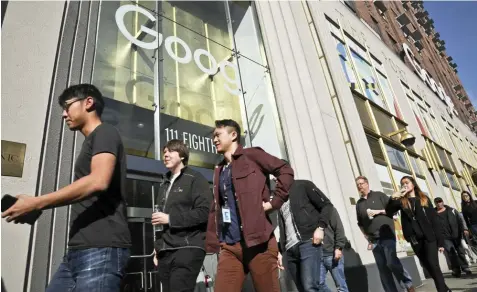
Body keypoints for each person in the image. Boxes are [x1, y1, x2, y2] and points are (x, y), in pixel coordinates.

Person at [2, 84, 132, 291]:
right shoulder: (91, 142)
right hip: (77, 252)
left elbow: (98, 180)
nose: (64, 114)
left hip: (101, 250)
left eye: (67, 106)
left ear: (88, 103)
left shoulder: (105, 132)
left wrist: (36, 203)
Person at [205, 119, 294, 292]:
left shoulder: (252, 155)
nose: (214, 139)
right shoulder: (219, 170)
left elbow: (285, 170)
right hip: (230, 246)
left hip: (258, 244)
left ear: (233, 135)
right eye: (213, 136)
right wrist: (212, 242)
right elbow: (216, 207)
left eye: (218, 135)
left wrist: (274, 202)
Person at [152, 139, 213, 292]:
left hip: (188, 247)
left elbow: (205, 212)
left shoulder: (195, 178)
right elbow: (160, 223)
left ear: (182, 156)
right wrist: (157, 248)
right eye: (164, 152)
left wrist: (170, 219)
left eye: (170, 151)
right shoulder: (164, 183)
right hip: (166, 251)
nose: (165, 155)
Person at [387, 176, 450, 292]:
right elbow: (388, 212)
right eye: (402, 184)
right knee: (428, 266)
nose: (404, 185)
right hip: (414, 239)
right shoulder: (401, 201)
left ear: (413, 184)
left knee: (433, 265)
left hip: (429, 238)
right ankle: (445, 288)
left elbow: (434, 220)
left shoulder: (423, 199)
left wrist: (440, 241)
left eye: (407, 182)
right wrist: (393, 197)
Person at [355, 176, 414, 292]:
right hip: (374, 240)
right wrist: (367, 237)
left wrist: (378, 212)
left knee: (391, 262)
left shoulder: (379, 195)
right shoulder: (359, 204)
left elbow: (392, 210)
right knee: (382, 269)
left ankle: (408, 285)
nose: (359, 186)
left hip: (387, 234)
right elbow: (360, 223)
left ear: (367, 184)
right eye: (357, 184)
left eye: (361, 183)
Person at [276, 179, 334, 292]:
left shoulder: (303, 185)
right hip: (289, 249)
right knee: (303, 289)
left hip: (308, 242)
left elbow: (327, 205)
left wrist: (320, 227)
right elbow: (284, 226)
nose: (275, 179)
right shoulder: (280, 198)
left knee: (310, 287)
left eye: (277, 176)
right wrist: (280, 251)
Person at [434, 197, 472, 277]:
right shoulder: (433, 213)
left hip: (456, 234)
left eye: (440, 201)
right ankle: (456, 269)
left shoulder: (452, 210)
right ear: (435, 204)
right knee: (451, 253)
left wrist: (464, 229)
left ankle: (465, 267)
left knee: (460, 251)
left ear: (443, 202)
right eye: (437, 202)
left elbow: (461, 219)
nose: (438, 203)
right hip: (444, 237)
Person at [319, 207, 349, 292]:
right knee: (318, 284)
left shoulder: (329, 209)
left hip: (332, 253)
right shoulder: (308, 212)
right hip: (317, 255)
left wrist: (338, 248)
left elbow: (339, 229)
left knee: (341, 287)